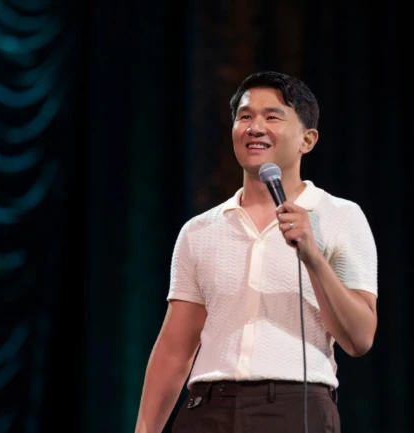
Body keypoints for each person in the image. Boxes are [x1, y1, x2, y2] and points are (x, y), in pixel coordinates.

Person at [134, 71, 378, 433]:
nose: (255, 127)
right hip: (207, 408)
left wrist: (313, 256)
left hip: (294, 408)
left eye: (272, 116)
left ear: (307, 140)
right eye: (245, 116)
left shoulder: (340, 217)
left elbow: (359, 338)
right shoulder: (200, 230)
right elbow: (174, 349)